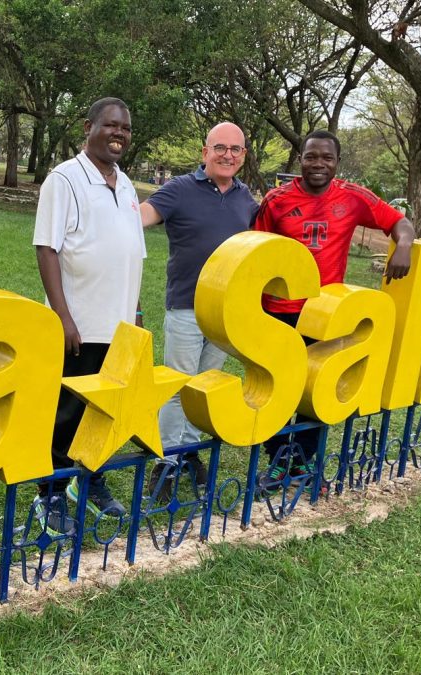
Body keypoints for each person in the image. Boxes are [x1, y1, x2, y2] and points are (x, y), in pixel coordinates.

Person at [253, 129, 415, 492]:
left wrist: (403, 244)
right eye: (312, 156)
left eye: (327, 157)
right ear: (300, 159)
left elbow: (398, 222)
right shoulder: (276, 200)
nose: (318, 164)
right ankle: (279, 461)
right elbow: (255, 251)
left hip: (326, 312)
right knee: (279, 387)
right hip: (279, 308)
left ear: (337, 162)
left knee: (318, 389)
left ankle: (301, 462)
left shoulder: (352, 197)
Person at [33, 97, 145, 534]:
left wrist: (134, 312)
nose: (119, 134)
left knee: (101, 411)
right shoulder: (64, 178)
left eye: (126, 129)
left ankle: (92, 479)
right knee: (65, 410)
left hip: (117, 323)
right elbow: (47, 247)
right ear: (89, 127)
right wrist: (62, 315)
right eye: (112, 126)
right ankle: (53, 492)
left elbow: (133, 252)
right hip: (78, 324)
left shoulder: (127, 184)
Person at [140, 122, 258, 501]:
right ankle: (167, 462)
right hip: (186, 305)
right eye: (220, 147)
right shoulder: (179, 189)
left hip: (226, 311)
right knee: (178, 385)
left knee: (205, 385)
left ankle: (189, 452)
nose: (227, 155)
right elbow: (138, 216)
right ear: (204, 151)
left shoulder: (246, 200)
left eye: (235, 150)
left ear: (243, 156)